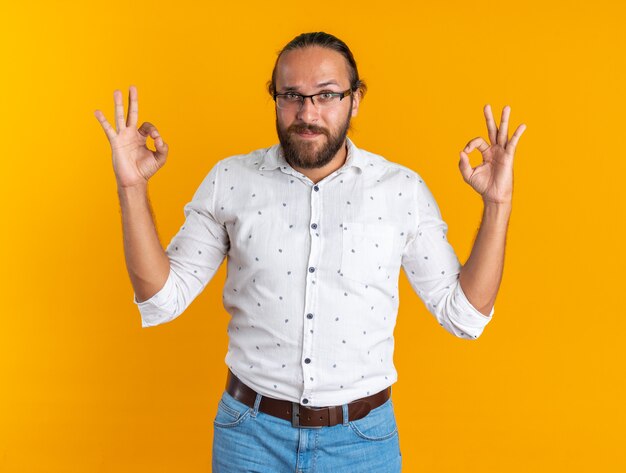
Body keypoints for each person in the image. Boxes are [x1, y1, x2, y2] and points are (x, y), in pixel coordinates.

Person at [94, 31, 525, 473]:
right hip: (250, 438)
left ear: (355, 99)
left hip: (363, 445)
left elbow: (465, 315)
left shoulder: (402, 191)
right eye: (292, 96)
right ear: (275, 98)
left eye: (327, 95)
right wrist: (131, 187)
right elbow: (161, 300)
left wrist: (497, 204)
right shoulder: (230, 180)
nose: (308, 112)